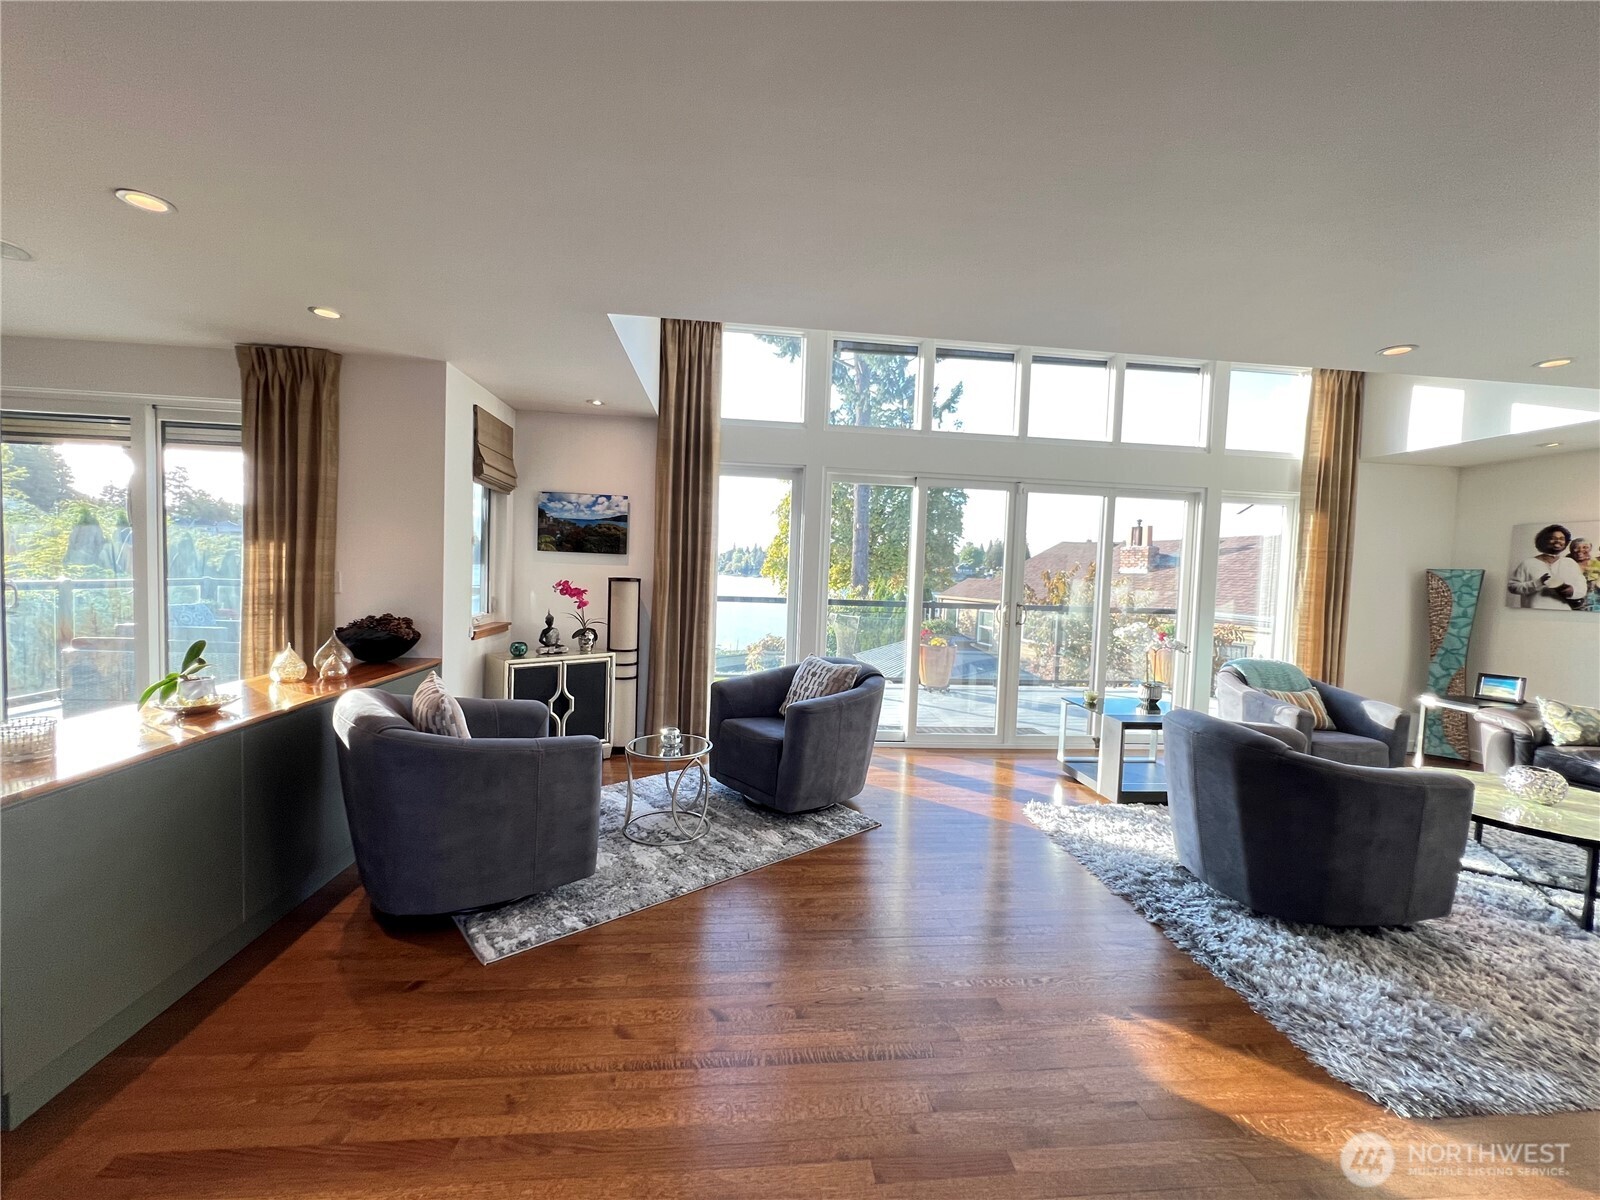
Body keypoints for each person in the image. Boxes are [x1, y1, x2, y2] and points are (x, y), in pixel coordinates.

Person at [1507, 524, 1587, 610]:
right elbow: (1512, 587)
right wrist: (1537, 583)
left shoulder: (1570, 563)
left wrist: (1571, 591)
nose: (1558, 541)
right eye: (1553, 538)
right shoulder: (1528, 563)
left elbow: (1582, 588)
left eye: (1561, 539)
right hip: (1533, 615)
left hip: (1564, 615)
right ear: (1543, 541)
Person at [1568, 536, 1600, 612]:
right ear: (1571, 550)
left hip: (1595, 602)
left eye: (1585, 547)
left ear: (1590, 549)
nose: (1580, 550)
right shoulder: (1566, 564)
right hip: (1573, 603)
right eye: (1576, 548)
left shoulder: (1597, 564)